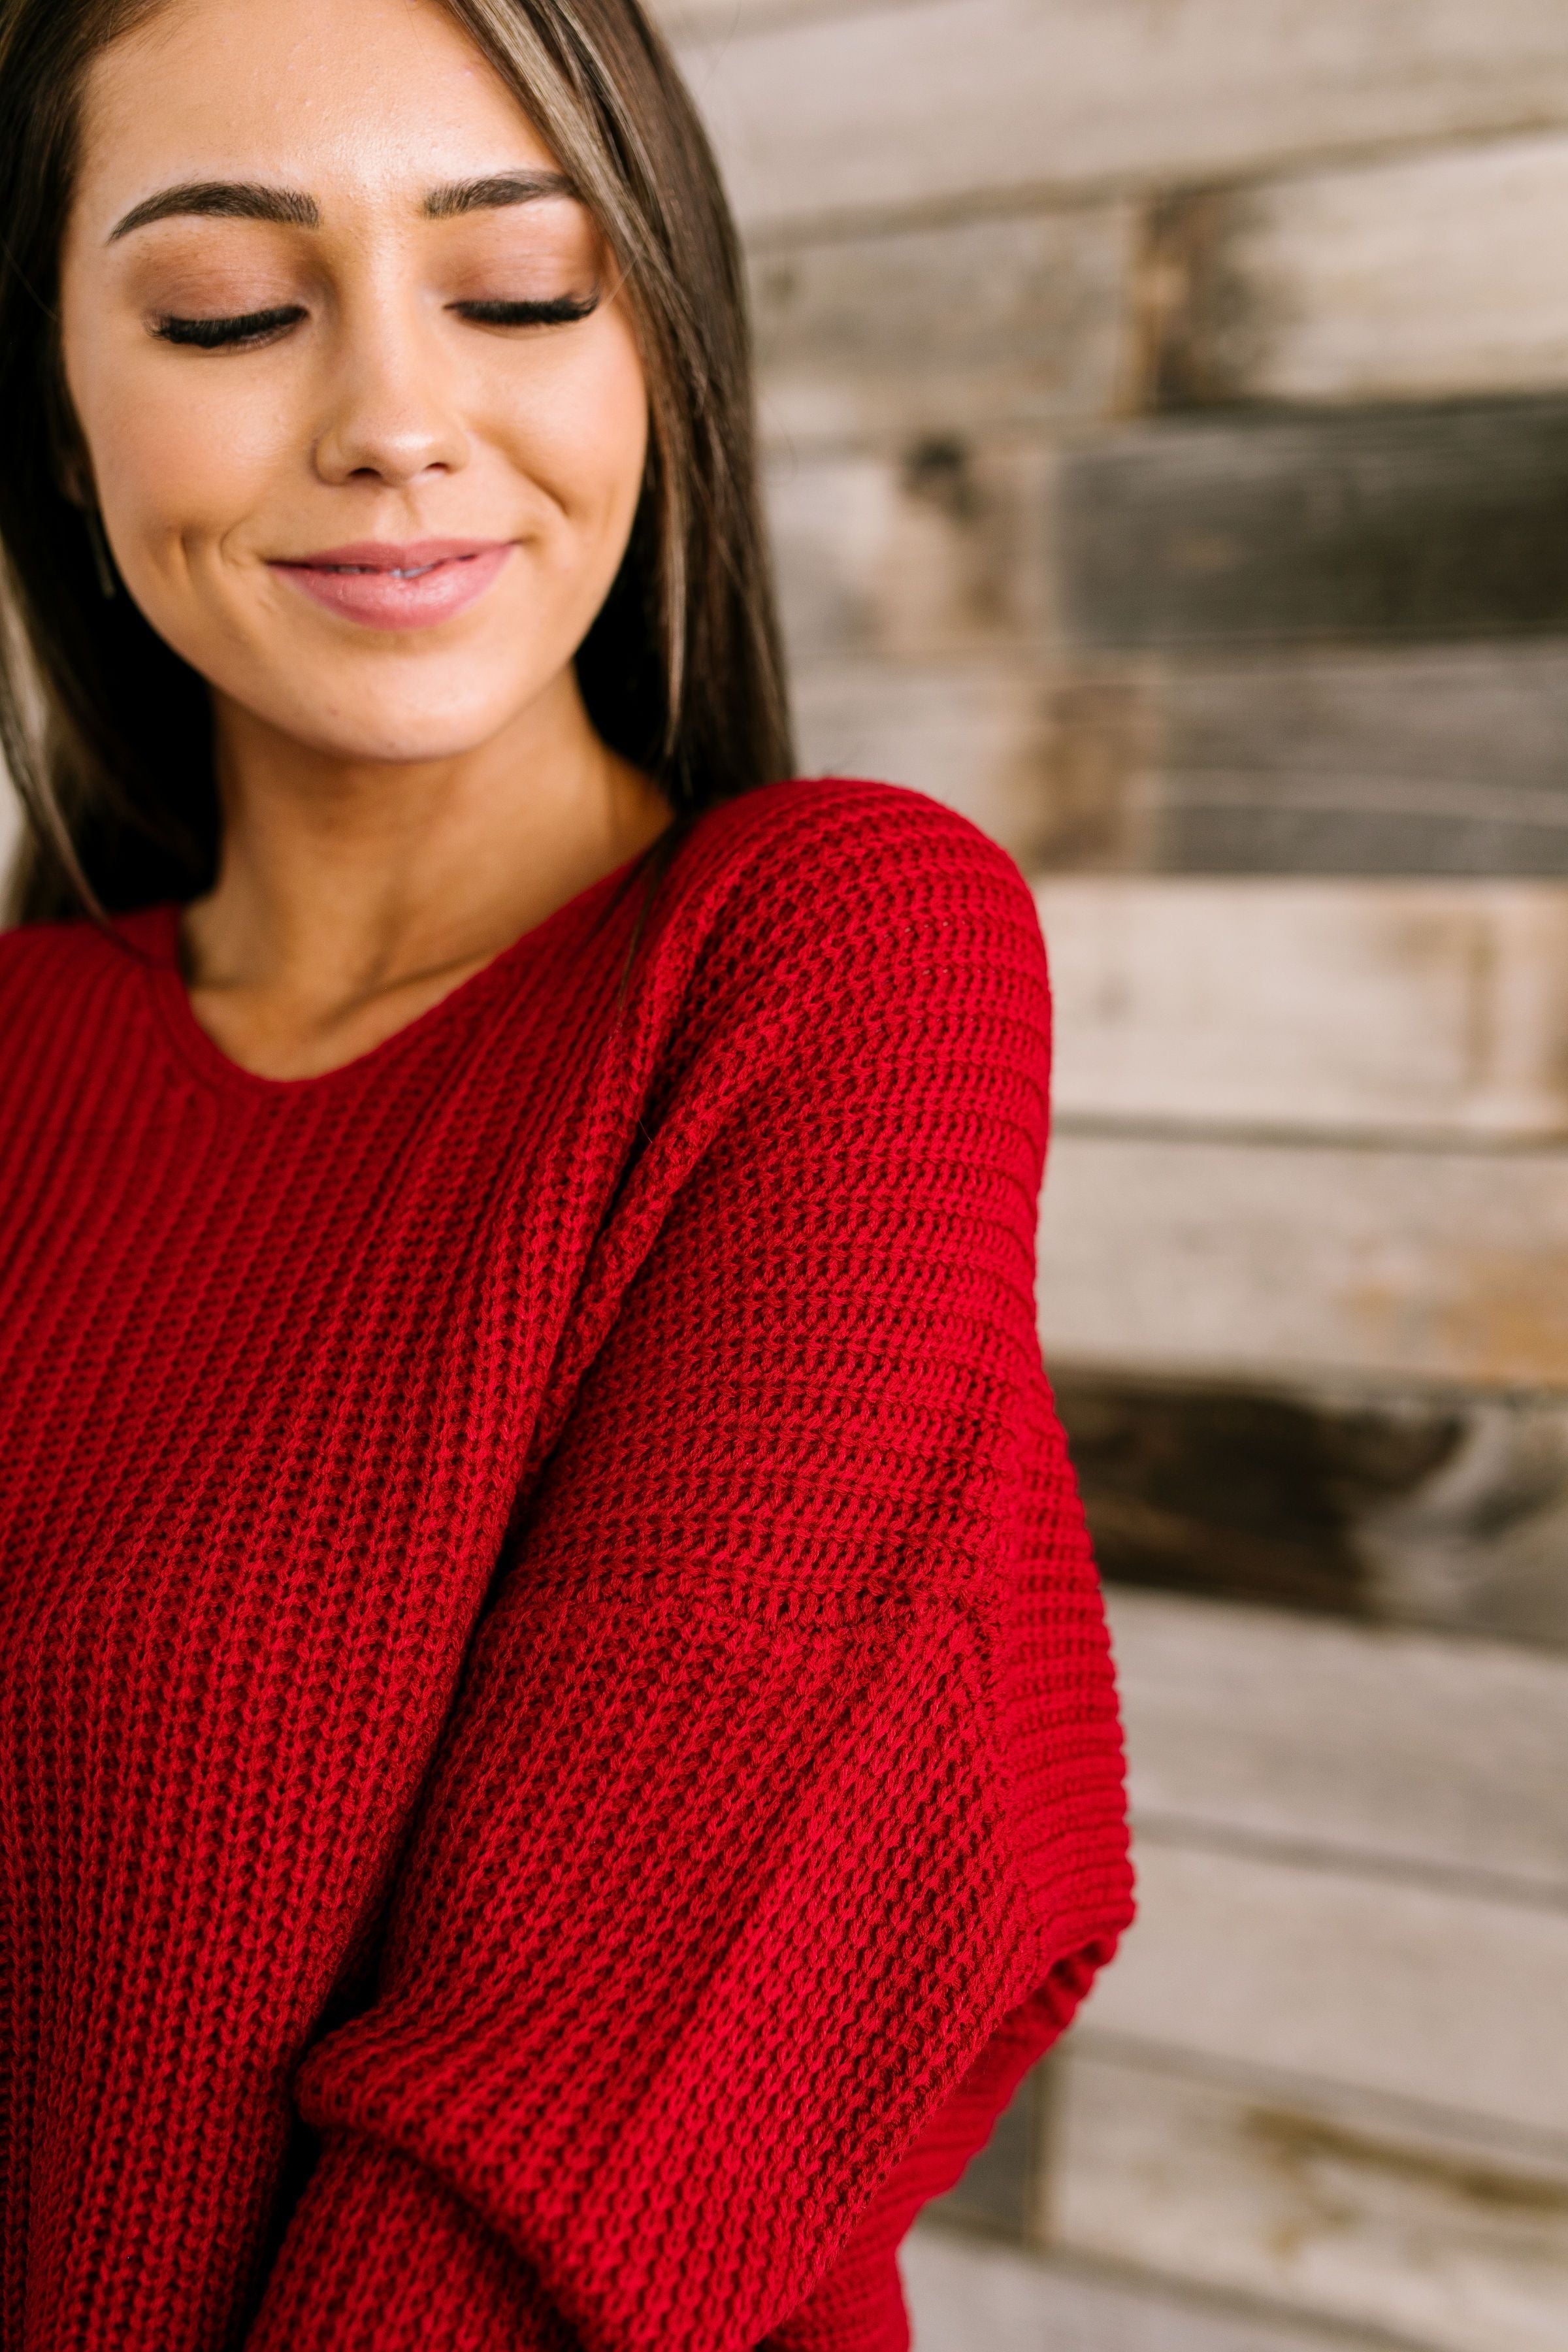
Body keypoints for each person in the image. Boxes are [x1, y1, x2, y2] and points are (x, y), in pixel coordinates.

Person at [0, 0, 1134, 2342]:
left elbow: (615, 2050)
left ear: (659, 358)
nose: (400, 419)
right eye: (227, 310)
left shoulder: (824, 963)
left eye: (519, 289)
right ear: (54, 403)